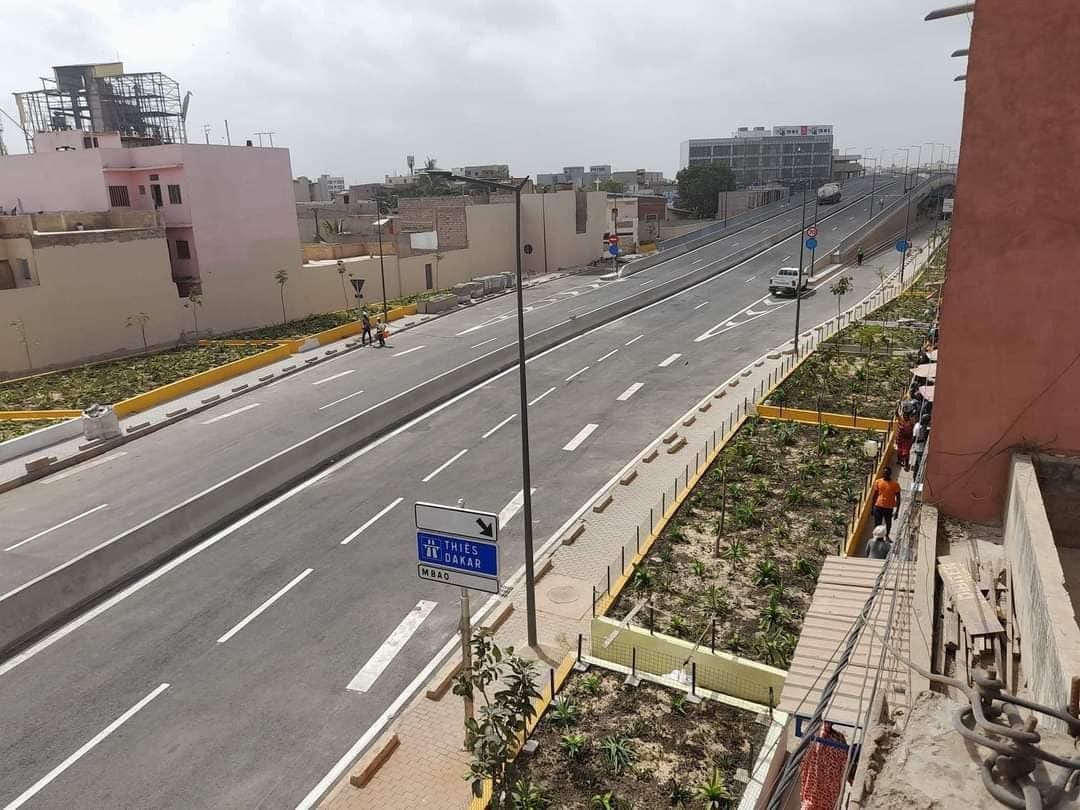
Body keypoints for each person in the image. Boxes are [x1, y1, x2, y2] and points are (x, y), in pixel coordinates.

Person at [871, 466, 901, 539]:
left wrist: (897, 511)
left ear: (890, 474)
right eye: (884, 473)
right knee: (877, 523)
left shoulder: (895, 484)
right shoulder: (878, 482)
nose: (885, 474)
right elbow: (875, 495)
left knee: (888, 523)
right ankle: (877, 537)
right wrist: (872, 508)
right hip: (878, 506)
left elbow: (898, 498)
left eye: (887, 473)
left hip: (889, 507)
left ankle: (887, 535)